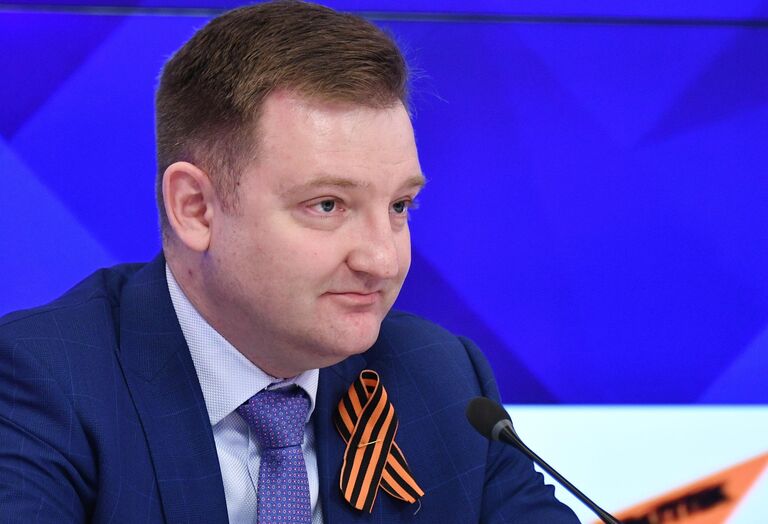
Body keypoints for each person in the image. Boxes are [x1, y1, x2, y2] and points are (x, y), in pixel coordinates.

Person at [0, 1, 579, 522]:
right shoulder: (42, 384)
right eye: (327, 205)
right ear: (196, 208)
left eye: (400, 206)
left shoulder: (441, 378)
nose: (382, 259)